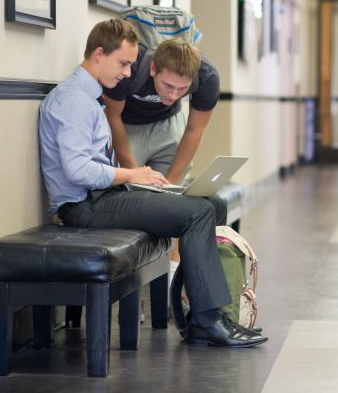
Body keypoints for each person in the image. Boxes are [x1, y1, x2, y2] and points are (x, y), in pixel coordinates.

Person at [38, 18, 267, 348]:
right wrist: (133, 175)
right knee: (198, 214)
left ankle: (204, 310)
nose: (129, 74)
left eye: (131, 64)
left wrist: (141, 182)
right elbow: (76, 171)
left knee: (212, 204)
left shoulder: (87, 97)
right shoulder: (74, 100)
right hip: (84, 206)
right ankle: (207, 320)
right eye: (124, 63)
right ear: (99, 54)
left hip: (104, 196)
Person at [102, 37, 223, 272]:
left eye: (182, 89)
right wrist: (135, 174)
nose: (173, 94)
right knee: (128, 194)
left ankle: (172, 274)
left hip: (168, 123)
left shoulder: (207, 77)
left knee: (176, 203)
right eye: (167, 85)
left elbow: (194, 130)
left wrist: (172, 185)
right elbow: (112, 117)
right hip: (126, 124)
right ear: (153, 69)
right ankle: (133, 274)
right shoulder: (132, 68)